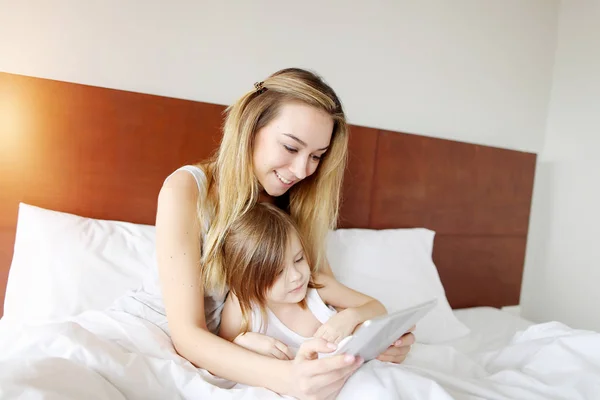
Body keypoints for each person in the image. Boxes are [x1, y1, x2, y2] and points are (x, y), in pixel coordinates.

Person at [154, 68, 415, 399]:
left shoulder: (298, 205)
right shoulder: (188, 189)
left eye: (317, 156)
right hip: (170, 335)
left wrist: (376, 338)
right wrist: (286, 378)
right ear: (251, 127)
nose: (302, 170)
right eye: (292, 148)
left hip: (251, 351)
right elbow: (188, 334)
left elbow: (320, 294)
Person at [218, 202, 389, 362]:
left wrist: (350, 317)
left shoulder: (317, 287)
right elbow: (220, 351)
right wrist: (242, 342)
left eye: (299, 259)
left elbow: (377, 308)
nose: (296, 276)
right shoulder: (242, 306)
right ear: (247, 280)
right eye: (278, 272)